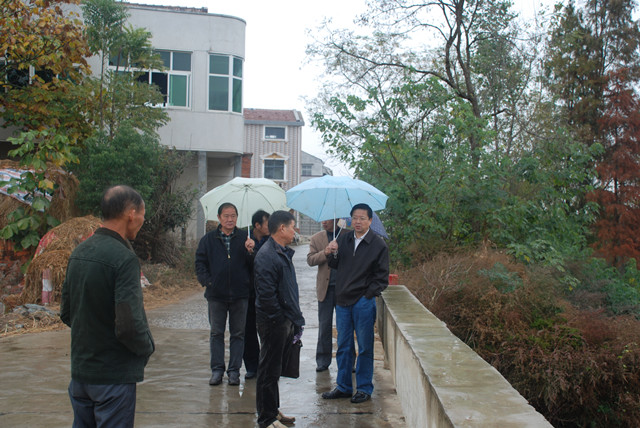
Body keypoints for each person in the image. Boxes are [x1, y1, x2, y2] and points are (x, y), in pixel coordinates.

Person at [60, 185, 155, 428]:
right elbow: (129, 326)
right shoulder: (124, 259)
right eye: (142, 214)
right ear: (131, 214)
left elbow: (67, 313)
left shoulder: (79, 252)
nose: (143, 220)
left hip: (81, 374)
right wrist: (146, 348)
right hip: (113, 377)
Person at [321, 203, 389, 404]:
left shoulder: (378, 245)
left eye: (362, 218)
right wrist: (331, 251)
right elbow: (334, 265)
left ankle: (364, 388)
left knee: (365, 346)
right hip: (342, 300)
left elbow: (381, 278)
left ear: (370, 220)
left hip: (363, 302)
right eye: (355, 218)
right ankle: (343, 386)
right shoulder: (344, 239)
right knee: (343, 345)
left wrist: (367, 295)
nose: (358, 222)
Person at [254, 210, 305, 428]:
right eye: (292, 227)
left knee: (274, 369)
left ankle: (272, 410)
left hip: (283, 320)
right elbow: (267, 296)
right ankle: (266, 419)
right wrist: (279, 319)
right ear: (282, 228)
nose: (295, 231)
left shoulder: (281, 252)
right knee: (268, 369)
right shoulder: (267, 255)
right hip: (273, 322)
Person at [195, 202, 255, 386]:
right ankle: (217, 370)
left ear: (237, 217)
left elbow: (254, 266)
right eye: (226, 216)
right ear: (219, 218)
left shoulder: (245, 238)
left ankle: (234, 371)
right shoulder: (208, 239)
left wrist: (251, 251)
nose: (230, 219)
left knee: (238, 334)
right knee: (216, 333)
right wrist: (208, 282)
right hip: (216, 295)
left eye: (233, 216)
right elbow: (200, 263)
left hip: (240, 294)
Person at [307, 219, 341, 372]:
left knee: (344, 326)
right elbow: (310, 260)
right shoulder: (317, 238)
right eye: (322, 220)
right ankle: (322, 360)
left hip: (343, 289)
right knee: (324, 326)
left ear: (336, 219)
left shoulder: (346, 236)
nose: (323, 223)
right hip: (325, 289)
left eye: (327, 220)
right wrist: (325, 252)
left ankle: (347, 361)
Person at [244, 209, 271, 379]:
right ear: (257, 225)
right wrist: (248, 251)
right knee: (248, 331)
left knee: (267, 331)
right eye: (267, 224)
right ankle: (252, 366)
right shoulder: (244, 240)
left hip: (265, 293)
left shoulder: (271, 241)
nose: (270, 226)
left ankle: (267, 365)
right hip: (247, 293)